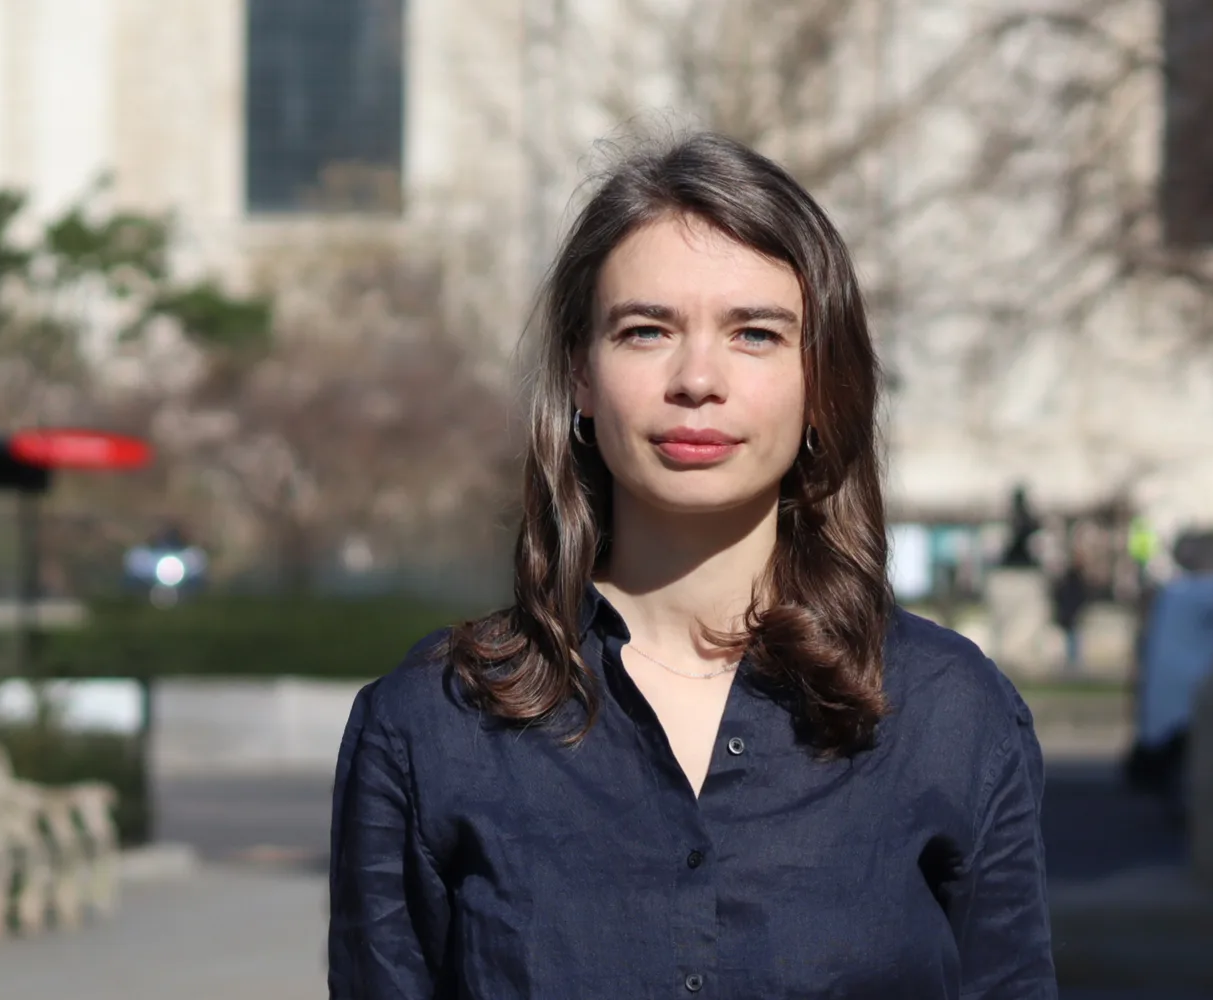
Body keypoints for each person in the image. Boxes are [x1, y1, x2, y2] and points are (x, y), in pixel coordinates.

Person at [328, 132, 1055, 999]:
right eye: (645, 331)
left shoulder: (950, 715)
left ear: (821, 384)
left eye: (754, 333)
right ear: (581, 380)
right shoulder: (428, 728)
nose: (697, 378)